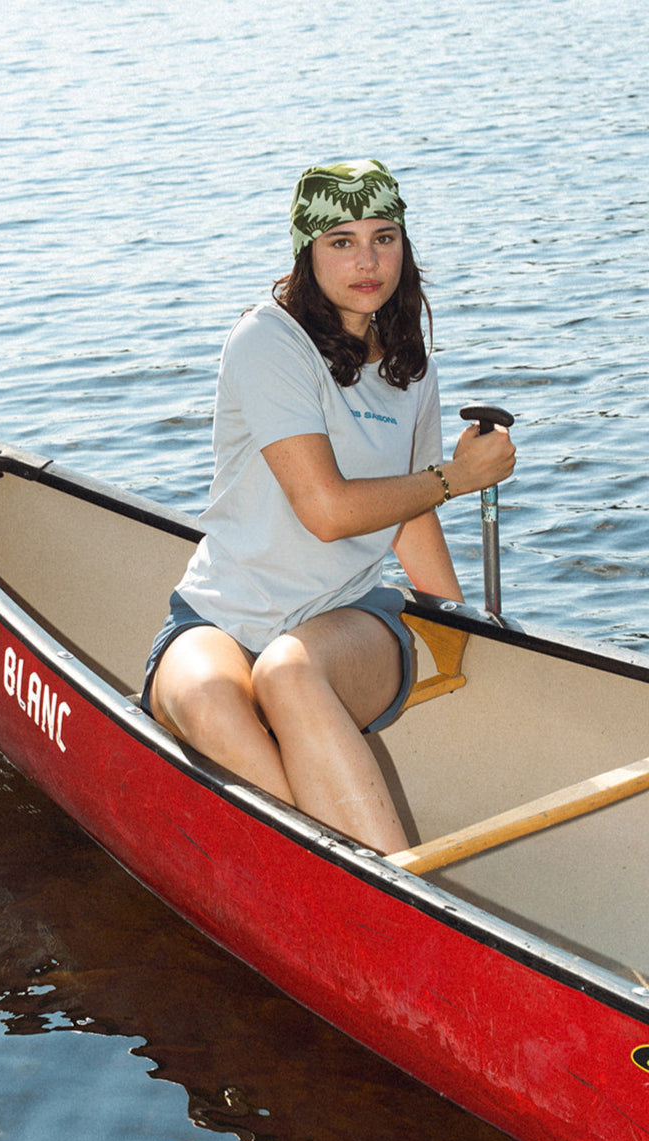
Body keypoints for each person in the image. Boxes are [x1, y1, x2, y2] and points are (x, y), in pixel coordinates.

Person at [141, 159, 515, 855]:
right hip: (218, 618)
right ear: (306, 252)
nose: (367, 260)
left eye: (384, 237)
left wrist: (463, 627)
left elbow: (407, 514)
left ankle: (376, 898)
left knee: (288, 671)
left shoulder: (412, 367)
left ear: (405, 244)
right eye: (340, 241)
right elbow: (328, 511)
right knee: (207, 702)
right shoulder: (268, 340)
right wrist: (458, 476)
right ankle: (368, 890)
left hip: (347, 620)